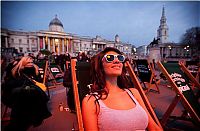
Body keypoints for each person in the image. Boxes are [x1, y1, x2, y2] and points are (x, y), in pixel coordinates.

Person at [82, 47, 162, 131]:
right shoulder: (91, 102)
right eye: (110, 58)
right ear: (100, 66)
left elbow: (153, 127)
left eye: (120, 58)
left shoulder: (134, 93)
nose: (117, 61)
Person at [2, 56, 51, 131]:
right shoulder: (17, 70)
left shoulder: (34, 70)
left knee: (28, 100)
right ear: (23, 63)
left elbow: (38, 83)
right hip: (15, 96)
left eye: (32, 62)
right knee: (21, 115)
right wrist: (26, 84)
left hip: (28, 98)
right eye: (28, 62)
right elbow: (9, 85)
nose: (31, 64)